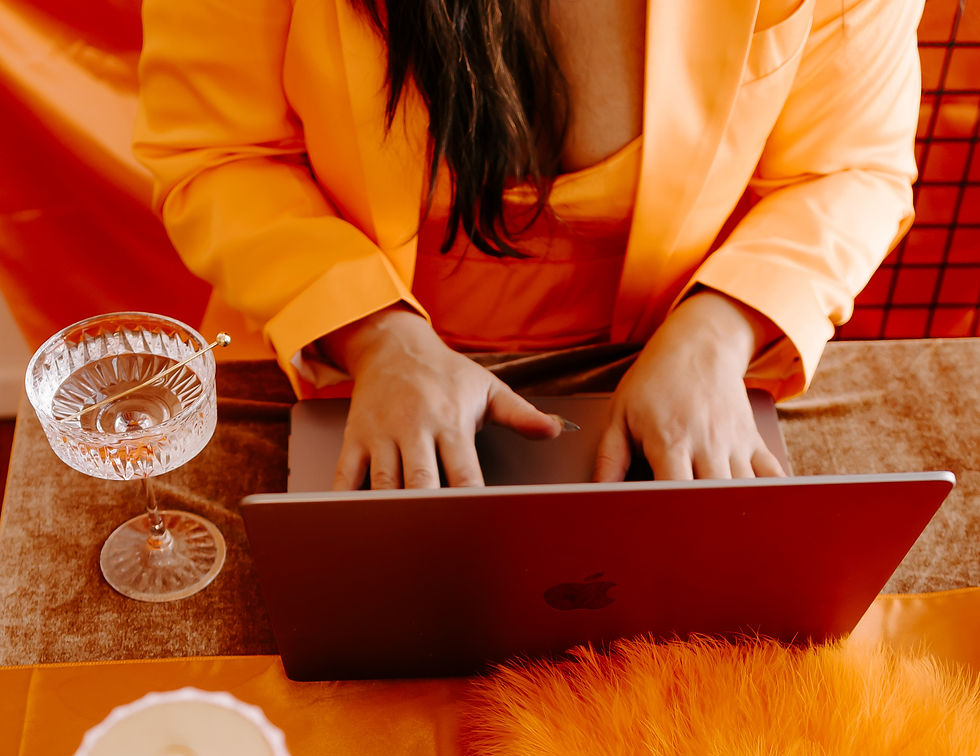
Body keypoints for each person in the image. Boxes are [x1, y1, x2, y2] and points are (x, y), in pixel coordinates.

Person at [134, 0, 923, 489]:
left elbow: (851, 169)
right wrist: (376, 336)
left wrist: (720, 329)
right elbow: (218, 154)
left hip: (678, 369)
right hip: (332, 360)